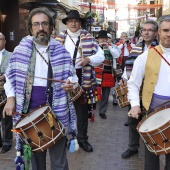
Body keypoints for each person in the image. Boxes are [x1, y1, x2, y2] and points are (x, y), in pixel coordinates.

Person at [3, 7, 78, 170]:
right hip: (29, 115)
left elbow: (73, 77)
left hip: (57, 113)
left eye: (44, 24)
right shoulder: (20, 51)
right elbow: (10, 78)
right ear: (30, 28)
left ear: (51, 27)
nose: (41, 28)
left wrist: (71, 83)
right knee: (36, 164)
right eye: (36, 24)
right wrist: (10, 98)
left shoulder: (62, 52)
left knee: (59, 163)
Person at [55, 10, 104, 152]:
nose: (73, 23)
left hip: (82, 79)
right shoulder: (58, 39)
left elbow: (100, 55)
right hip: (62, 80)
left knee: (81, 112)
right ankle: (61, 138)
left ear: (80, 23)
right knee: (60, 111)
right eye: (70, 21)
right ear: (67, 23)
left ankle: (82, 139)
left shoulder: (89, 38)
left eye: (76, 21)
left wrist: (88, 59)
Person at [127, 14, 170, 169]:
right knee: (152, 156)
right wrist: (135, 105)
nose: (169, 34)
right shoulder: (146, 56)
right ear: (158, 32)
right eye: (165, 30)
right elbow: (133, 83)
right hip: (153, 112)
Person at [121, 19, 159, 159]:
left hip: (152, 91)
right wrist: (124, 78)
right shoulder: (136, 48)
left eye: (150, 30)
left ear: (156, 33)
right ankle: (133, 147)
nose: (146, 32)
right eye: (144, 30)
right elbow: (128, 66)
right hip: (136, 91)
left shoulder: (160, 49)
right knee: (133, 120)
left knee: (151, 120)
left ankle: (152, 146)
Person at [96, 30, 121, 119]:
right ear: (98, 39)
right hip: (96, 74)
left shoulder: (112, 47)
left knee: (106, 95)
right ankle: (92, 110)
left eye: (104, 39)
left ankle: (102, 111)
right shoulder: (94, 47)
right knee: (95, 93)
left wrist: (109, 47)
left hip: (107, 74)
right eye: (101, 38)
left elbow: (117, 55)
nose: (103, 40)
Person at [0, 32, 13, 153]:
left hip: (5, 92)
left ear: (4, 41)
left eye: (0, 39)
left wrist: (4, 76)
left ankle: (7, 141)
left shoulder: (11, 55)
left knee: (6, 118)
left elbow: (13, 71)